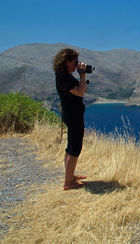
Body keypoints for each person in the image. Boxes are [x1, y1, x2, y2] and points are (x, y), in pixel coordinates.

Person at [53, 48, 88, 190]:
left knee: (70, 147)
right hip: (73, 116)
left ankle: (70, 176)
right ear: (67, 61)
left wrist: (81, 77)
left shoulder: (64, 75)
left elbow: (81, 90)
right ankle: (68, 183)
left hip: (71, 114)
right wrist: (83, 76)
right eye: (75, 61)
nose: (77, 64)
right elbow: (80, 93)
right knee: (75, 149)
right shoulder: (64, 78)